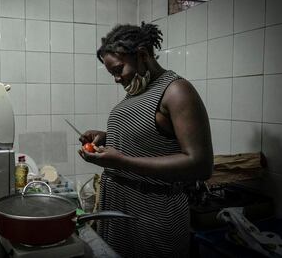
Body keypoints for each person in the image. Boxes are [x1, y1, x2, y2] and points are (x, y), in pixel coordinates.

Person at [78, 22, 213, 257]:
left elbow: (200, 164)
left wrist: (122, 162)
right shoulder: (136, 93)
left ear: (142, 55)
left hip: (155, 214)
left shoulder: (176, 91)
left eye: (119, 70)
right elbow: (150, 141)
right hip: (119, 209)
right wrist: (106, 138)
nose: (117, 79)